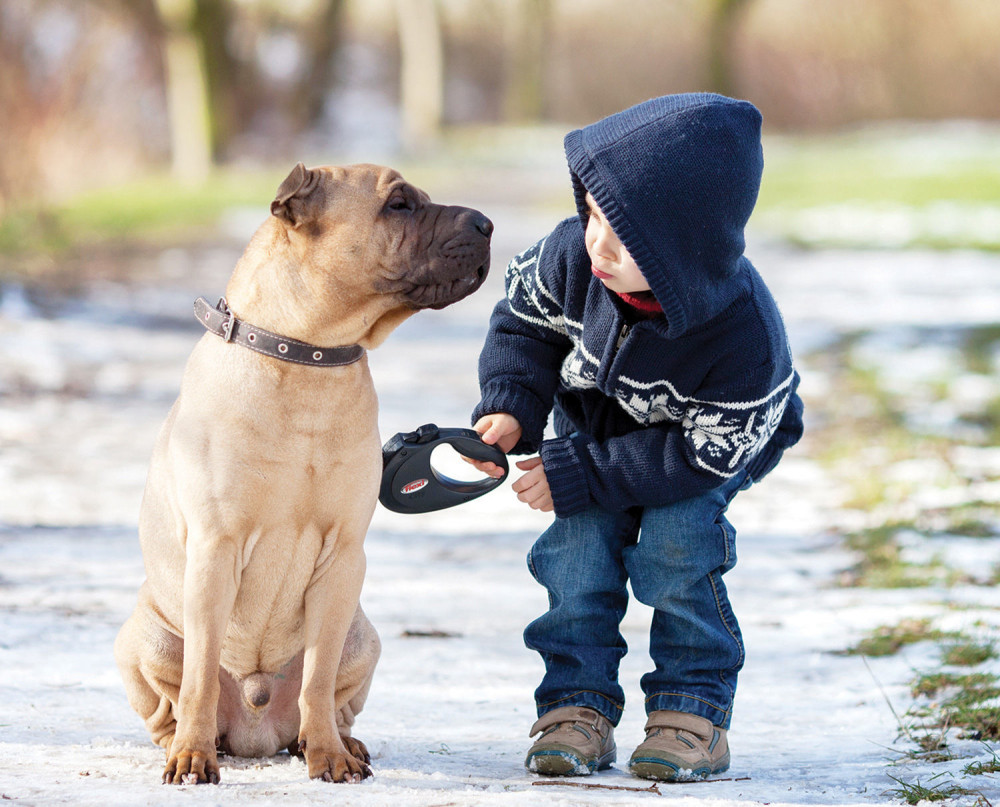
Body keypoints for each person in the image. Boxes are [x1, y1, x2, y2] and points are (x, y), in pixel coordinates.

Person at [468, 93, 804, 782]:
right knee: (577, 550)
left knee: (680, 545)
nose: (597, 240)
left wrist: (582, 471)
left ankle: (692, 710)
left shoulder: (744, 338)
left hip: (707, 443)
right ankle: (575, 705)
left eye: (627, 235)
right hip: (600, 422)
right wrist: (513, 403)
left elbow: (700, 454)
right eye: (591, 214)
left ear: (687, 249)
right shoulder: (571, 259)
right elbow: (522, 326)